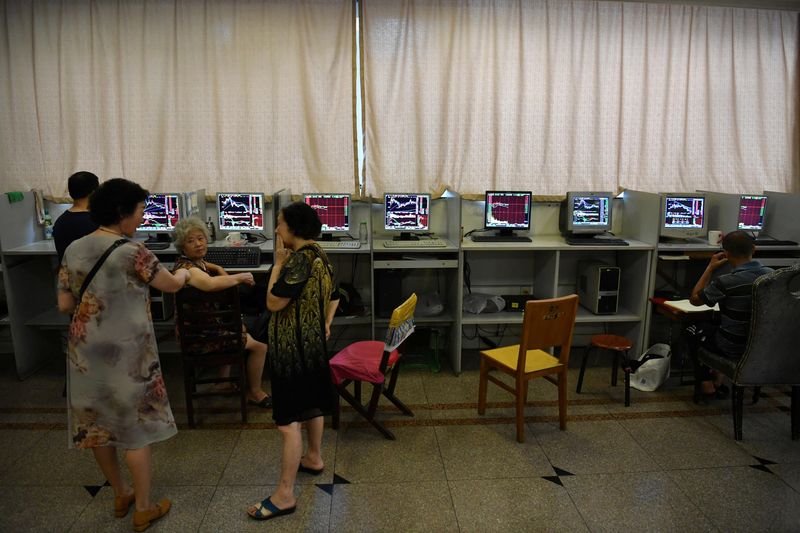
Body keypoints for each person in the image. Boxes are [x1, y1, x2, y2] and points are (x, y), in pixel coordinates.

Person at [57, 178, 191, 532]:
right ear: (122, 212)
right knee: (136, 431)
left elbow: (64, 304)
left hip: (86, 354)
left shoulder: (74, 249)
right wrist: (187, 271)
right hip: (129, 356)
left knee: (99, 427)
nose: (143, 217)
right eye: (140, 210)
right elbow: (171, 285)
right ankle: (144, 508)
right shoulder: (134, 252)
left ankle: (121, 492)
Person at [248, 202, 339, 521]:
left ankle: (284, 494)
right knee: (312, 403)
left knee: (287, 424)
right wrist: (326, 323)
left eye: (281, 224)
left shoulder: (299, 260)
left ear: (294, 229)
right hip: (313, 346)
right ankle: (313, 457)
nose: (276, 230)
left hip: (291, 350)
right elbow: (336, 294)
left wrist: (276, 264)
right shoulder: (321, 254)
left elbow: (273, 302)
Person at [171, 216, 271, 407]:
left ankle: (222, 382)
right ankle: (255, 392)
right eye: (190, 241)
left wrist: (217, 266)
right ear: (182, 247)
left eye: (200, 238)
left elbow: (205, 268)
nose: (198, 244)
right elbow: (209, 284)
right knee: (260, 347)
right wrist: (240, 276)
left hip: (200, 330)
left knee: (237, 326)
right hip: (200, 338)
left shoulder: (191, 263)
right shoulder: (188, 270)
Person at [687, 230, 772, 397]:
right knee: (719, 322)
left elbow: (694, 300)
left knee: (692, 330)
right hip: (763, 346)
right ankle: (718, 378)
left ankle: (706, 384)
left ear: (725, 254)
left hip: (733, 346)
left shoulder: (726, 282)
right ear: (753, 249)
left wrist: (710, 268)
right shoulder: (772, 275)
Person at [53, 171, 100, 263]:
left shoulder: (60, 221)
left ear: (70, 193)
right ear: (94, 193)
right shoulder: (96, 222)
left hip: (68, 275)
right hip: (92, 276)